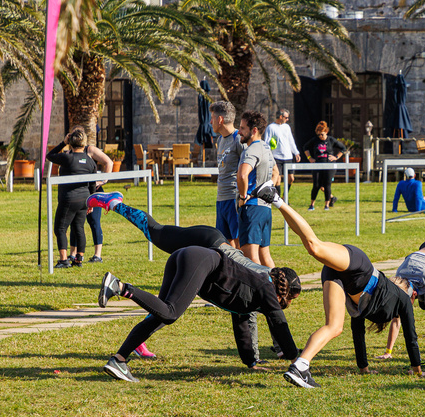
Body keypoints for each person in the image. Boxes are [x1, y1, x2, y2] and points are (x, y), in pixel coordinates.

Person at [253, 180, 425, 389]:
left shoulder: (374, 307)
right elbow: (411, 337)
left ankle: (300, 366)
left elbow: (358, 332)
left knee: (334, 327)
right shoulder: (402, 299)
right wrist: (417, 369)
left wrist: (364, 368)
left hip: (342, 278)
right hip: (359, 266)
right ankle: (275, 198)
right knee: (314, 247)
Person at [87, 191, 280, 364]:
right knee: (155, 232)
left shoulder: (265, 284)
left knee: (167, 308)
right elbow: (261, 317)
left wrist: (255, 358)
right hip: (207, 241)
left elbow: (251, 314)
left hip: (209, 252)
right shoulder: (263, 282)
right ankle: (114, 203)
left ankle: (135, 344)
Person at [98, 249, 302, 382]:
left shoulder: (255, 292)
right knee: (170, 314)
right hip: (201, 260)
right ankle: (120, 287)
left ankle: (119, 360)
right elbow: (279, 324)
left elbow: (241, 324)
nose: (287, 304)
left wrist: (251, 363)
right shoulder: (265, 287)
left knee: (160, 316)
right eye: (290, 299)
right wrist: (296, 361)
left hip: (186, 256)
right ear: (282, 291)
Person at [46, 128, 101, 267]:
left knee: (60, 228)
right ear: (85, 143)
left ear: (70, 142)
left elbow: (50, 155)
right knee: (79, 228)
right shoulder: (90, 162)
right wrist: (91, 203)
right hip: (84, 199)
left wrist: (63, 143)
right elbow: (92, 185)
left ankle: (64, 260)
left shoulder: (67, 158)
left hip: (68, 199)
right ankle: (79, 259)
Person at [237, 110, 278, 267]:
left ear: (254, 130)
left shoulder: (251, 149)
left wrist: (243, 197)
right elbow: (276, 174)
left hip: (252, 209)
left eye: (242, 128)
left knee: (251, 260)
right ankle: (279, 284)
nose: (239, 132)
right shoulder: (266, 148)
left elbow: (242, 175)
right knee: (265, 257)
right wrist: (265, 191)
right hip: (265, 209)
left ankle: (264, 284)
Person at [73, 144, 112, 264]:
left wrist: (103, 181)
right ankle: (73, 254)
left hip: (94, 191)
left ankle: (97, 255)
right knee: (75, 222)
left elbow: (109, 162)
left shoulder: (90, 150)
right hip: (79, 190)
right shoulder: (71, 151)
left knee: (94, 221)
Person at [212, 100, 243, 248]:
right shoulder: (220, 140)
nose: (210, 122)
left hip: (233, 198)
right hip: (221, 198)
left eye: (212, 118)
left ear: (220, 119)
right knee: (225, 243)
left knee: (239, 242)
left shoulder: (239, 139)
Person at [303, 121, 345, 211]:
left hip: (329, 165)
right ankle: (312, 204)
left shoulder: (331, 140)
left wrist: (336, 157)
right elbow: (305, 147)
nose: (320, 136)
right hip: (317, 164)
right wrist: (310, 158)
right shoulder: (315, 140)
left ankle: (327, 205)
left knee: (327, 185)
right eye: (318, 135)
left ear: (326, 132)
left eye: (322, 134)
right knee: (316, 185)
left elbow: (343, 148)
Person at [264, 109, 300, 194]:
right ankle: (278, 198)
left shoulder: (287, 127)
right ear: (281, 116)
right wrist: (268, 154)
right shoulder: (271, 127)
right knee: (277, 179)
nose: (287, 119)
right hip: (276, 157)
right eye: (286, 117)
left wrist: (296, 152)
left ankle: (285, 197)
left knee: (291, 178)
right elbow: (267, 142)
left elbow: (291, 140)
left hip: (288, 156)